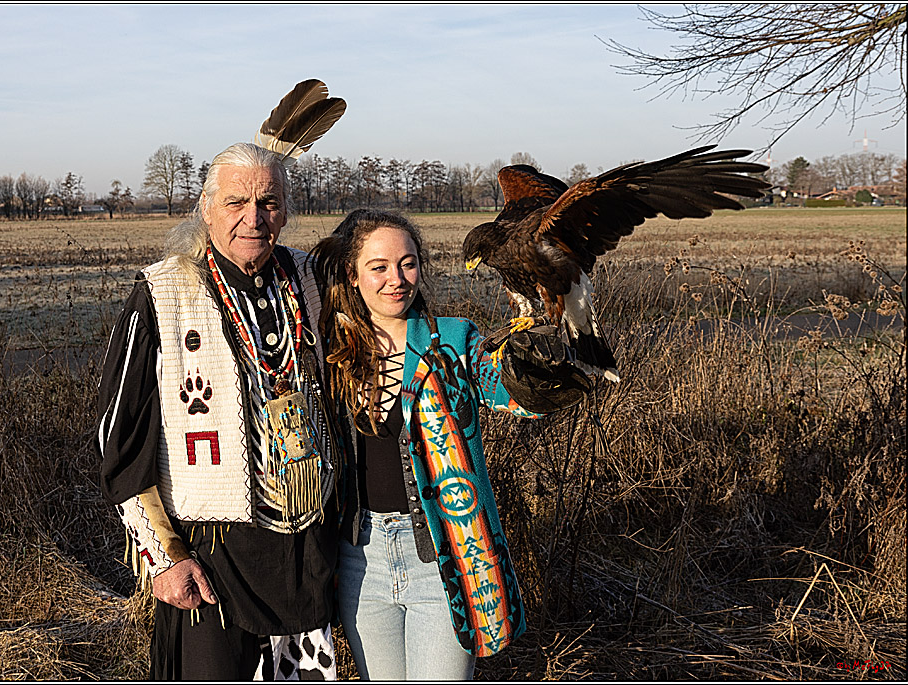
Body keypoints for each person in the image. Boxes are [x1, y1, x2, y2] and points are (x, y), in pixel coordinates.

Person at [96, 142, 340, 680]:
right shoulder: (162, 293)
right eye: (236, 203)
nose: (254, 218)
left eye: (269, 203)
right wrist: (165, 555)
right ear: (206, 208)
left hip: (303, 553)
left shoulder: (309, 280)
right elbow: (120, 440)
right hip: (210, 558)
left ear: (286, 210)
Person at [311, 209, 588, 680]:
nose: (396, 279)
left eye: (408, 263)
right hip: (359, 559)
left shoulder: (454, 341)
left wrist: (547, 363)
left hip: (448, 558)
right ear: (352, 276)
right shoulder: (330, 351)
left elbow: (515, 393)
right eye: (378, 267)